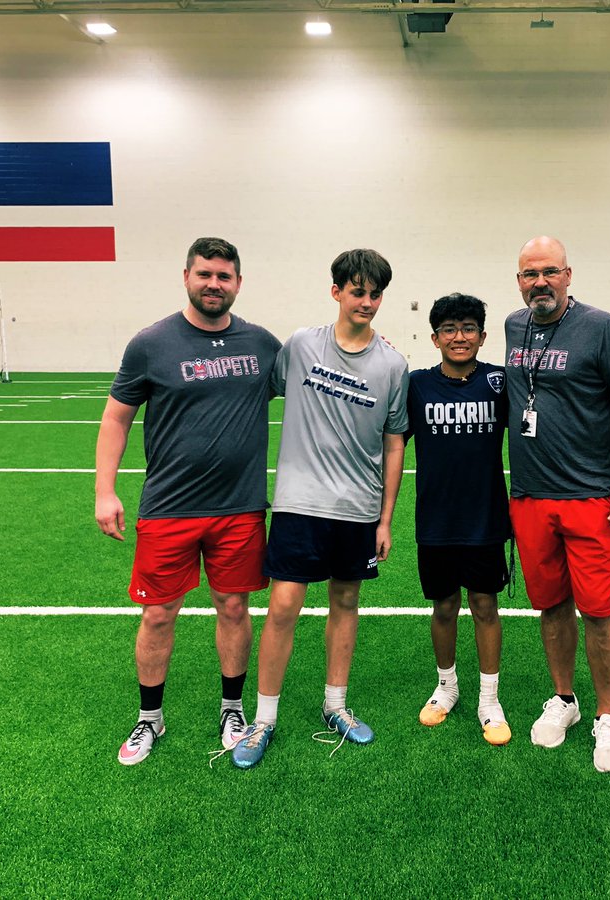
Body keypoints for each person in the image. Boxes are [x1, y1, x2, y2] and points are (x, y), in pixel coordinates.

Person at [96, 237, 281, 766]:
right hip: (169, 507)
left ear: (238, 283)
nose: (214, 284)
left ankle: (232, 708)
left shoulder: (262, 344)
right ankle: (149, 718)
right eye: (205, 274)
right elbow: (117, 417)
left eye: (224, 276)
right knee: (158, 614)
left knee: (234, 606)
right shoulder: (151, 343)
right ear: (186, 277)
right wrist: (105, 491)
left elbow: (312, 382)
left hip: (240, 508)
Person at [231, 248, 409, 768]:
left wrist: (385, 518)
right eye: (358, 292)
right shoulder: (302, 346)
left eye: (376, 294)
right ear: (336, 291)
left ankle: (336, 705)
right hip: (299, 504)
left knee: (346, 603)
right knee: (283, 607)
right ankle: (262, 719)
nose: (368, 302)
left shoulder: (393, 364)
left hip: (357, 509)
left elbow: (395, 442)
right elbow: (257, 393)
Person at [503, 236, 610, 773]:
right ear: (518, 281)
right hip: (531, 496)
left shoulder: (603, 327)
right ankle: (564, 699)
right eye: (527, 274)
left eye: (548, 272)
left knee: (601, 611)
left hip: (593, 496)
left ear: (568, 275)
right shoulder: (513, 326)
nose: (538, 282)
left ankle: (607, 717)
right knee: (550, 606)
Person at [405, 293, 512, 745]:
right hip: (436, 519)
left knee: (485, 606)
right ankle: (447, 686)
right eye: (449, 329)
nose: (459, 336)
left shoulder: (500, 382)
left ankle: (490, 697)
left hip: (485, 518)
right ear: (434, 338)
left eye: (469, 328)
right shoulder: (416, 385)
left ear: (483, 336)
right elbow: (388, 441)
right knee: (444, 605)